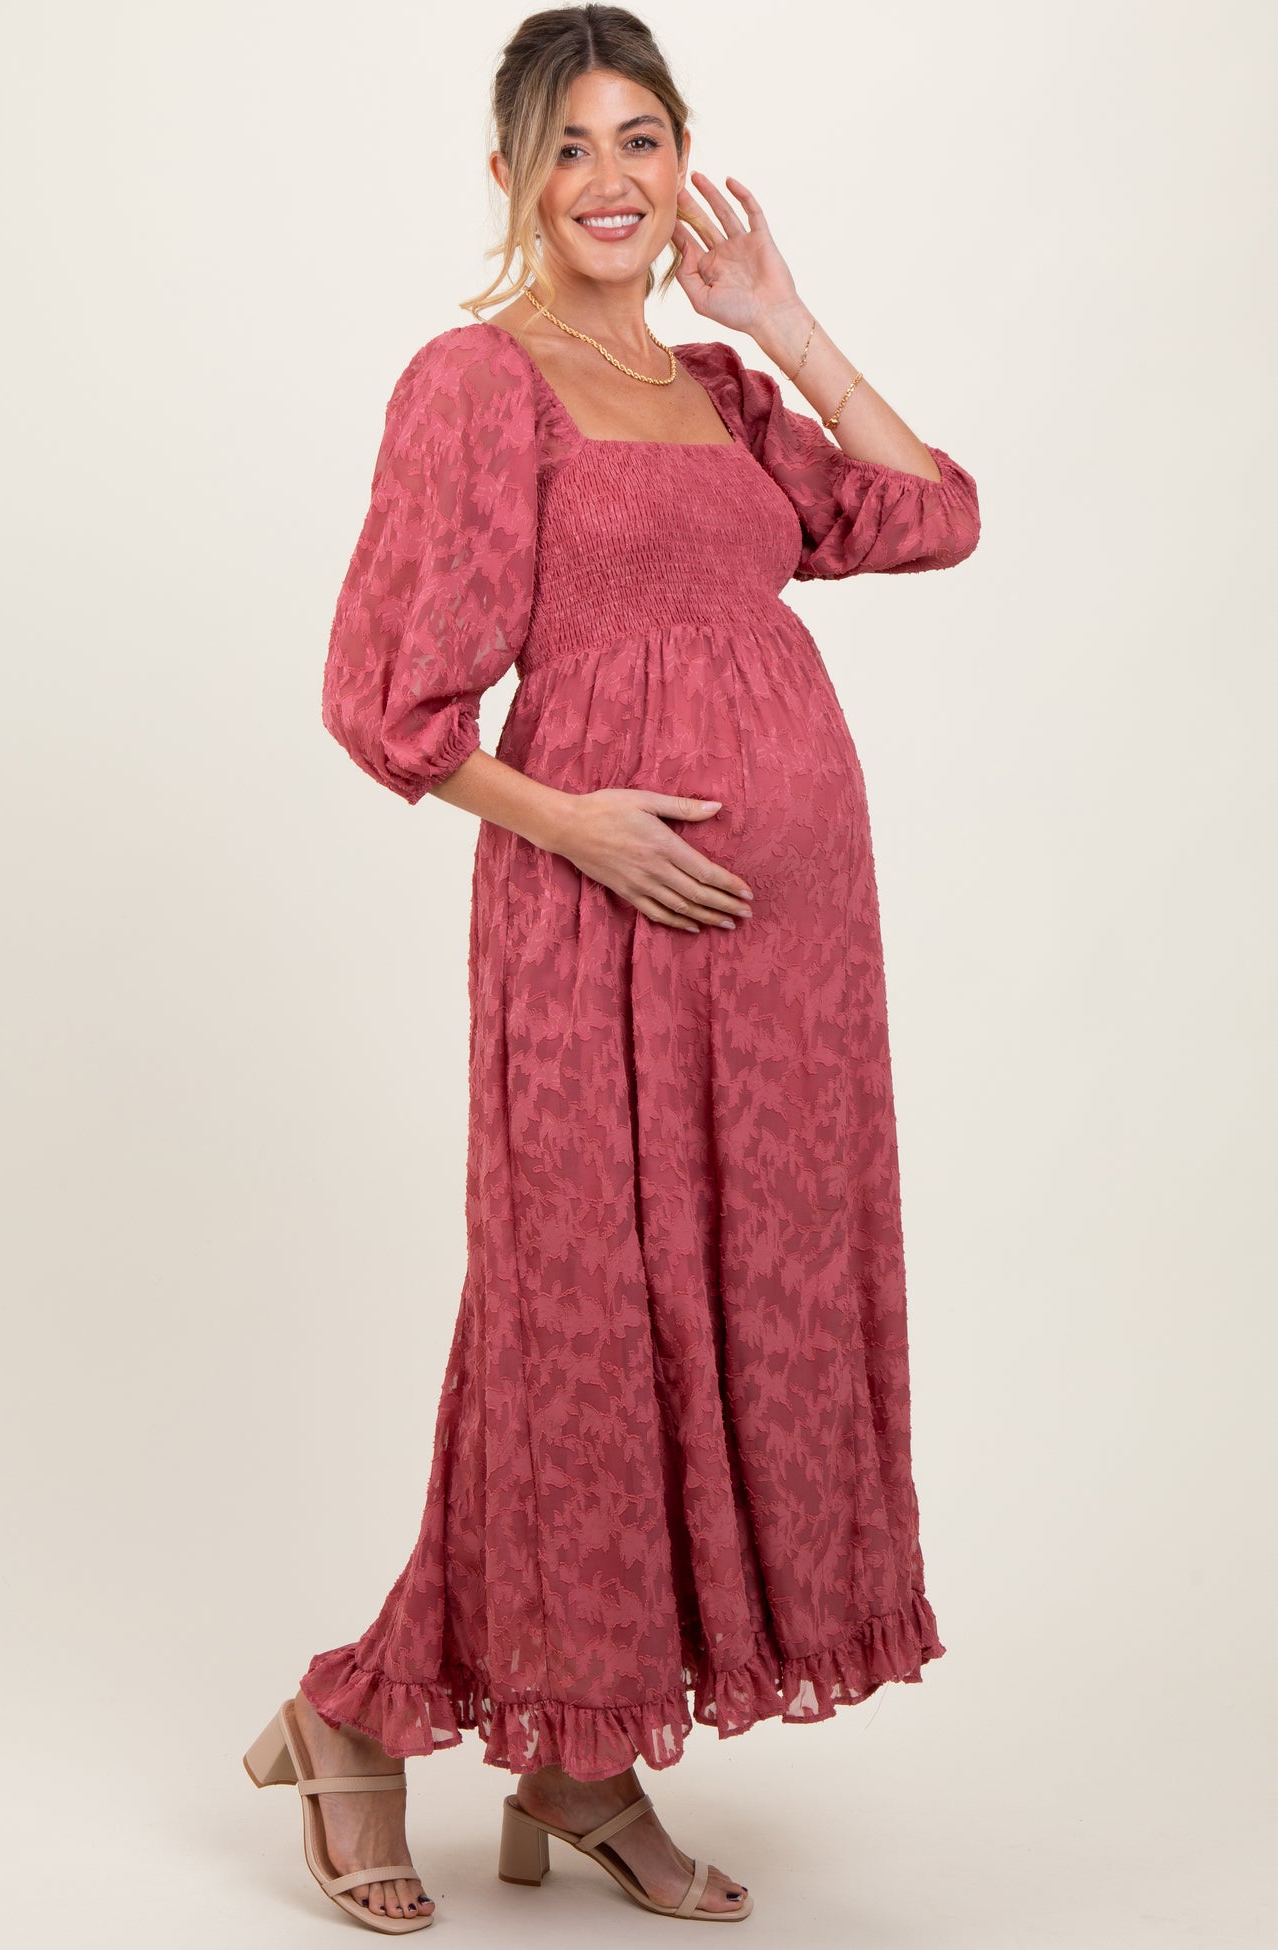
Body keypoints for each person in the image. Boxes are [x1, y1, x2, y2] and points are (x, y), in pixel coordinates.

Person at [244, 5, 980, 1932]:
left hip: (790, 974)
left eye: (641, 138)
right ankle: (356, 1714)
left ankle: (579, 1759)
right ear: (508, 176)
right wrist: (577, 824)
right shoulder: (476, 384)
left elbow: (932, 515)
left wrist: (786, 322)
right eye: (568, 145)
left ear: (684, 164)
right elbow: (384, 701)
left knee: (711, 1321)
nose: (610, 179)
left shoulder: (723, 393)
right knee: (578, 1332)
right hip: (595, 936)